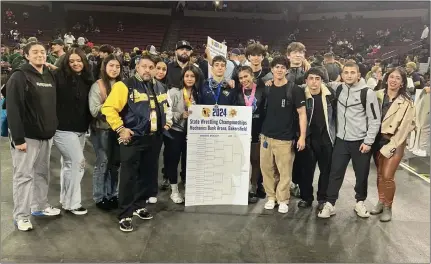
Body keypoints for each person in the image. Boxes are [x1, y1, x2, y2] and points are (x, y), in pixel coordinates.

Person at [101, 54, 172, 232]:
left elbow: (165, 108)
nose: (147, 70)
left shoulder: (161, 86)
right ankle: (125, 214)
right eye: (144, 66)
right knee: (128, 177)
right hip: (133, 138)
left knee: (147, 175)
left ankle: (139, 206)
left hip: (154, 138)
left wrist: (167, 123)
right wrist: (120, 128)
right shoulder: (124, 85)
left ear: (155, 69)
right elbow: (108, 108)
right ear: (137, 68)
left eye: (151, 67)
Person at [7, 42, 60, 231]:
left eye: (43, 52)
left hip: (46, 135)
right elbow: (13, 109)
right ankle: (21, 216)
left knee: (41, 174)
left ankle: (39, 206)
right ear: (26, 55)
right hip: (27, 137)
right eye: (35, 52)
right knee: (23, 176)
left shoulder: (50, 74)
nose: (40, 55)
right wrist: (18, 139)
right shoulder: (19, 76)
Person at [318, 62, 381, 219]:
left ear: (358, 75)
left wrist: (368, 142)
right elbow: (316, 82)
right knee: (335, 173)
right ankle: (330, 204)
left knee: (361, 175)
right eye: (346, 72)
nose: (349, 75)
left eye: (353, 72)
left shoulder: (367, 93)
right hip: (341, 140)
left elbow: (375, 120)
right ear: (342, 74)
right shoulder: (338, 88)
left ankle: (360, 202)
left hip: (361, 141)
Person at [260, 56, 307, 214]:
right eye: (276, 67)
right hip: (266, 136)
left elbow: (302, 114)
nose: (279, 70)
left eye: (282, 67)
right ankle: (271, 197)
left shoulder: (294, 90)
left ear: (287, 70)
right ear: (272, 69)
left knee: (284, 171)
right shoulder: (267, 88)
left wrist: (302, 137)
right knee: (267, 169)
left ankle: (283, 199)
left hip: (285, 138)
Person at [53, 48, 94, 215]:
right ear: (66, 63)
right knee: (78, 163)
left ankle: (65, 200)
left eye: (79, 60)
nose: (76, 64)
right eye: (72, 61)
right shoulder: (58, 77)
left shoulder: (87, 79)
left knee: (69, 165)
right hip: (62, 129)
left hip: (80, 130)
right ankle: (73, 203)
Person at [371, 67, 415, 222]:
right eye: (391, 77)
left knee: (388, 176)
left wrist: (392, 145)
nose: (393, 80)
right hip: (377, 140)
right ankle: (381, 201)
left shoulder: (407, 102)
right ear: (386, 78)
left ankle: (388, 206)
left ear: (402, 83)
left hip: (394, 141)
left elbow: (405, 128)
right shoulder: (376, 95)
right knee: (380, 174)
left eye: (397, 78)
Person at [296, 67, 336, 210]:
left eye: (317, 79)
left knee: (326, 171)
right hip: (308, 139)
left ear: (322, 81)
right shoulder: (300, 93)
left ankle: (322, 199)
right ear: (306, 80)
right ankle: (306, 198)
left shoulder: (330, 94)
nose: (314, 82)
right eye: (311, 78)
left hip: (326, 139)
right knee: (306, 171)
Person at [88, 54, 122, 210]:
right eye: (111, 66)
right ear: (104, 67)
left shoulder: (122, 85)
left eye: (117, 66)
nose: (114, 69)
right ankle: (99, 196)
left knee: (115, 164)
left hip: (118, 130)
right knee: (102, 163)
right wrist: (110, 105)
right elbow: (94, 111)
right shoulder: (98, 86)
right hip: (102, 130)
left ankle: (112, 194)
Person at [165, 65, 201, 203]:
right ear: (182, 77)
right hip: (175, 131)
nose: (190, 79)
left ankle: (187, 187)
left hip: (192, 133)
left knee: (189, 162)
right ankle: (174, 190)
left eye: (192, 76)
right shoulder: (174, 92)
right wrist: (181, 114)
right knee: (173, 161)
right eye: (187, 76)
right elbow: (166, 112)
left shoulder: (198, 93)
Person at [236, 66, 266, 204]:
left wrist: (263, 131)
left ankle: (253, 187)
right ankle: (243, 187)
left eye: (246, 76)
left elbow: (266, 111)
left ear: (252, 75)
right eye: (241, 78)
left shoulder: (262, 90)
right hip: (241, 131)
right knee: (242, 161)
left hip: (256, 130)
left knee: (255, 160)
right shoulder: (236, 92)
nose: (243, 80)